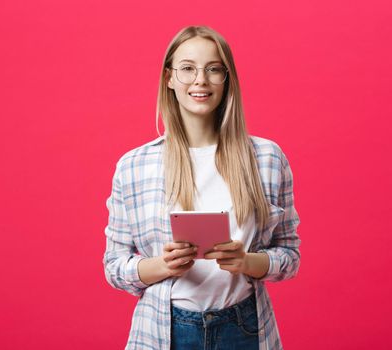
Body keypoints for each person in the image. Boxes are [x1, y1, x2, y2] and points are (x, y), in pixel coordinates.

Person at [103, 25, 301, 350]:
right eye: (187, 69)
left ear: (227, 78)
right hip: (165, 331)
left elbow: (290, 256)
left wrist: (247, 261)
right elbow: (114, 266)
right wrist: (161, 265)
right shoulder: (134, 166)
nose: (200, 80)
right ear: (169, 78)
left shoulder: (266, 158)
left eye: (213, 69)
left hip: (245, 328)